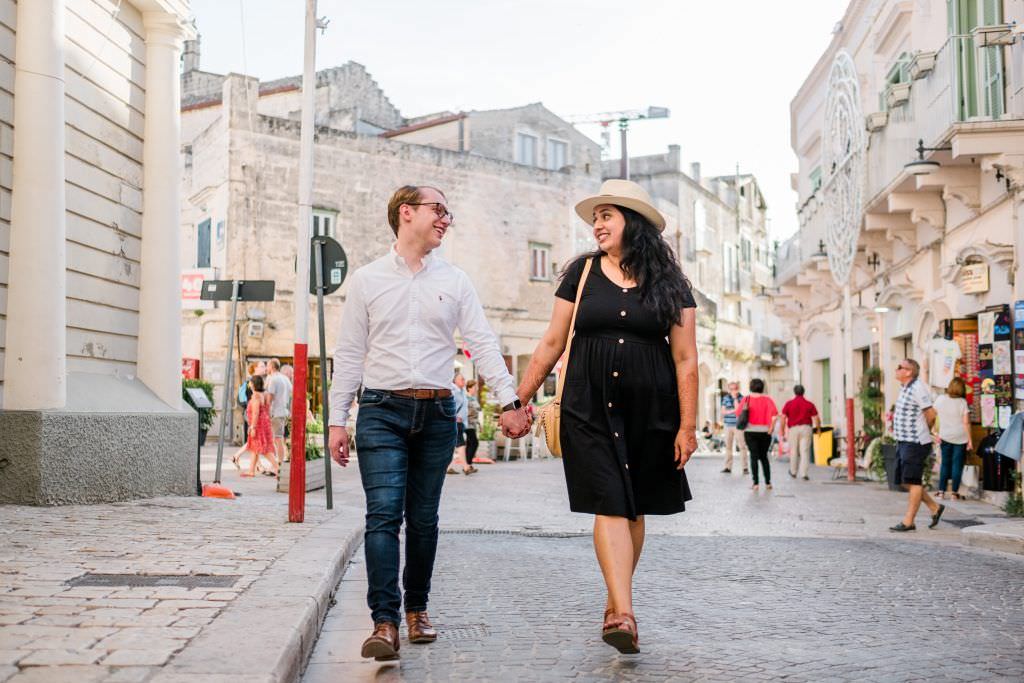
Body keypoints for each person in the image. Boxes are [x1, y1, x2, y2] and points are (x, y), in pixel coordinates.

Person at [327, 185, 530, 662]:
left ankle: (417, 610)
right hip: (380, 411)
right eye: (438, 210)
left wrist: (511, 400)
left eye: (447, 212)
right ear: (406, 213)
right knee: (382, 517)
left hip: (438, 414)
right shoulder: (367, 280)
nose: (446, 219)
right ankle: (385, 621)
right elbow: (350, 353)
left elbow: (482, 343)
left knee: (422, 520)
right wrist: (337, 419)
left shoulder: (455, 280)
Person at [514, 179, 698, 654]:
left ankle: (616, 601)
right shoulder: (581, 273)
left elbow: (685, 358)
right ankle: (625, 613)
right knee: (610, 503)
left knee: (634, 508)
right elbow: (553, 341)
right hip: (587, 404)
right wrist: (519, 400)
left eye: (606, 216)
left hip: (651, 408)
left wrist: (688, 425)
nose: (596, 225)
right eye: (595, 218)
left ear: (631, 223)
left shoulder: (672, 285)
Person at [890, 358, 945, 532]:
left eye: (900, 367)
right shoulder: (905, 387)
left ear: (909, 372)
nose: (897, 369)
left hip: (915, 442)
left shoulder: (917, 388)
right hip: (903, 441)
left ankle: (909, 521)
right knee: (905, 481)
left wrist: (925, 430)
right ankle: (935, 508)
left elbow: (930, 413)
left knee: (913, 481)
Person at [933, 377, 972, 500]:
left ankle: (941, 491)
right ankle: (954, 493)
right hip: (961, 437)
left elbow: (932, 415)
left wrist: (934, 432)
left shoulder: (940, 399)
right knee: (957, 465)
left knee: (945, 463)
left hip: (945, 435)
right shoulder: (962, 402)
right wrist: (970, 440)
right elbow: (966, 423)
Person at [739, 378, 779, 492]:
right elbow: (775, 416)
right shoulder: (768, 399)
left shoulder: (746, 399)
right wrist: (771, 428)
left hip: (750, 432)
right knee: (764, 457)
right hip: (765, 432)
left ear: (751, 387)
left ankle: (755, 483)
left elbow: (739, 414)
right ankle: (768, 482)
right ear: (762, 387)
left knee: (753, 456)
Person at [780, 385, 821, 481]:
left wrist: (782, 430)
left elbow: (783, 418)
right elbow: (816, 418)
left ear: (794, 392)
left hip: (793, 429)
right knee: (805, 451)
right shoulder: (809, 404)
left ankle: (793, 472)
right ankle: (804, 474)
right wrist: (818, 429)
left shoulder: (789, 404)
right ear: (803, 392)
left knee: (794, 451)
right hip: (806, 428)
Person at [239, 375, 276, 477]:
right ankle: (251, 471)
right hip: (265, 422)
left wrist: (253, 427)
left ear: (253, 384)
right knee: (255, 448)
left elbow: (256, 413)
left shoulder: (255, 396)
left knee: (262, 449)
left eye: (250, 382)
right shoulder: (265, 394)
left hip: (258, 423)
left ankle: (278, 469)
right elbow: (268, 409)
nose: (249, 383)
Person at [265, 358, 292, 471]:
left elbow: (270, 398)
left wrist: (266, 413)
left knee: (277, 439)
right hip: (284, 412)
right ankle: (277, 463)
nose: (266, 368)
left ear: (271, 366)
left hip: (275, 413)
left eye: (267, 366)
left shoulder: (273, 379)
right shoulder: (285, 378)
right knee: (278, 439)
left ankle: (278, 465)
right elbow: (291, 395)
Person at [447, 371, 475, 475]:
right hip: (455, 421)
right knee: (460, 444)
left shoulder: (462, 391)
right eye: (461, 379)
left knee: (453, 445)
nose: (464, 381)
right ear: (455, 381)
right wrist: (454, 417)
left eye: (464, 379)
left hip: (461, 422)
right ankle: (466, 467)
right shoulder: (453, 391)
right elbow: (448, 405)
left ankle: (448, 467)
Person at [721, 382, 749, 475]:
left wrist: (735, 399)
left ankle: (745, 468)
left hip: (739, 426)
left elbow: (739, 410)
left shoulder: (742, 398)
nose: (733, 390)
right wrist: (733, 410)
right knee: (728, 447)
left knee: (742, 446)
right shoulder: (725, 398)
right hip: (728, 425)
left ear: (738, 388)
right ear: (729, 389)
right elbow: (723, 412)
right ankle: (728, 467)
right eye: (731, 389)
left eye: (735, 388)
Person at [464, 379, 481, 470]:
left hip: (473, 424)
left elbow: (476, 411)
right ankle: (468, 464)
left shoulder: (473, 398)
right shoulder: (466, 398)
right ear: (469, 388)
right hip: (468, 423)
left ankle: (467, 465)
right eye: (475, 387)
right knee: (474, 443)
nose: (476, 389)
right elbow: (467, 411)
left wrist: (479, 423)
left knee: (470, 443)